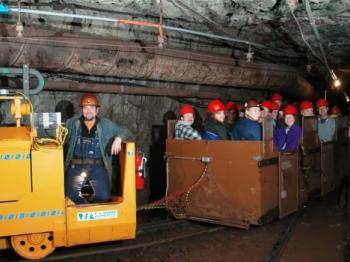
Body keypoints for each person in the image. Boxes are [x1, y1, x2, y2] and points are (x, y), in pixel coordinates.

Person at [64, 93, 131, 204]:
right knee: (71, 197)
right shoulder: (71, 123)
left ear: (97, 110)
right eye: (86, 108)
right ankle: (84, 213)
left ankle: (93, 212)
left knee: (103, 196)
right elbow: (60, 135)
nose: (88, 110)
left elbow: (126, 131)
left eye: (91, 108)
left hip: (98, 167)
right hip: (76, 166)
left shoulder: (106, 125)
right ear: (82, 110)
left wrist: (119, 138)